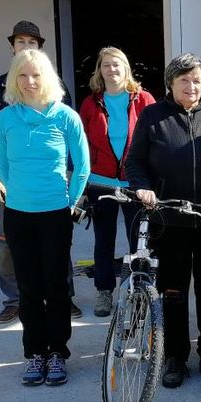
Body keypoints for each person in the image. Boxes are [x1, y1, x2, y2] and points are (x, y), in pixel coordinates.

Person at [125, 53, 201, 389]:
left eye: (197, 80)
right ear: (171, 83)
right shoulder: (153, 117)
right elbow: (135, 163)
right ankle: (174, 355)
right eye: (184, 80)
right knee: (172, 291)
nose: (191, 86)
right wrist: (143, 187)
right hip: (168, 219)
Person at [0, 49, 89, 387]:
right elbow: (2, 167)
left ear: (47, 78)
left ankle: (58, 352)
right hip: (18, 215)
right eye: (22, 75)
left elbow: (82, 166)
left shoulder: (65, 117)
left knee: (56, 286)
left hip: (55, 215)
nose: (29, 81)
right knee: (29, 287)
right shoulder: (4, 119)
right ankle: (35, 352)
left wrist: (70, 202)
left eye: (36, 75)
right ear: (13, 79)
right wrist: (18, 195)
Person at [0, 20, 82, 323]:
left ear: (40, 48)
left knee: (57, 247)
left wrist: (71, 182)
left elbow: (69, 140)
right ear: (12, 47)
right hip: (14, 186)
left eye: (32, 42)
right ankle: (15, 299)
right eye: (21, 42)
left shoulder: (56, 88)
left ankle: (63, 296)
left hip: (52, 187)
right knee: (8, 243)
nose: (26, 47)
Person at [78, 47, 156, 318]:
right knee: (103, 239)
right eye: (106, 65)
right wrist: (81, 184)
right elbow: (82, 144)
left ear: (126, 69)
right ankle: (104, 290)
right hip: (100, 182)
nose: (111, 70)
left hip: (135, 183)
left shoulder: (143, 99)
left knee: (138, 241)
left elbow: (155, 139)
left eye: (116, 65)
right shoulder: (91, 103)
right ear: (99, 70)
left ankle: (138, 289)